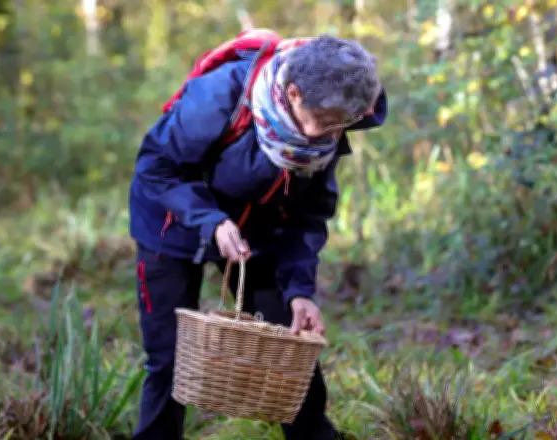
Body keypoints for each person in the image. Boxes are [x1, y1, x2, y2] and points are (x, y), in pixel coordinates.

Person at [127, 31, 388, 440]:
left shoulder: (328, 124)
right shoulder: (221, 96)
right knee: (168, 355)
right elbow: (156, 167)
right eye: (324, 123)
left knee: (288, 343)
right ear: (294, 92)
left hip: (255, 236)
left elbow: (307, 216)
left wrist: (299, 290)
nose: (331, 136)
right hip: (171, 224)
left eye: (342, 126)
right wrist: (209, 220)